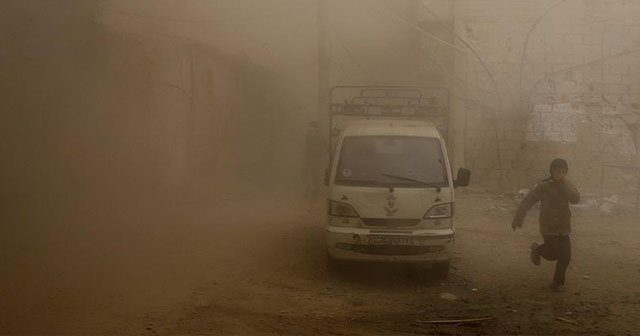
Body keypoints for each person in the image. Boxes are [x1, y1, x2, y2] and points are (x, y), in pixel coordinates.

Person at [511, 158, 580, 292]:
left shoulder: (567, 185)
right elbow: (528, 200)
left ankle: (557, 283)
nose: (560, 173)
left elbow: (575, 199)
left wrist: (564, 183)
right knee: (553, 253)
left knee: (565, 257)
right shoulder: (544, 186)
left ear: (566, 172)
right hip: (549, 227)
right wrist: (518, 218)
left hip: (563, 227)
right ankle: (537, 250)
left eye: (563, 171)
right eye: (556, 170)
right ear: (551, 172)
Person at [303, 121, 324, 201]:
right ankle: (310, 192)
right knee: (306, 176)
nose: (311, 129)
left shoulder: (318, 136)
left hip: (315, 160)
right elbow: (307, 148)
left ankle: (314, 195)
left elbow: (326, 145)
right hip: (309, 160)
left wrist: (322, 156)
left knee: (314, 177)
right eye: (311, 127)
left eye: (313, 127)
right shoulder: (309, 136)